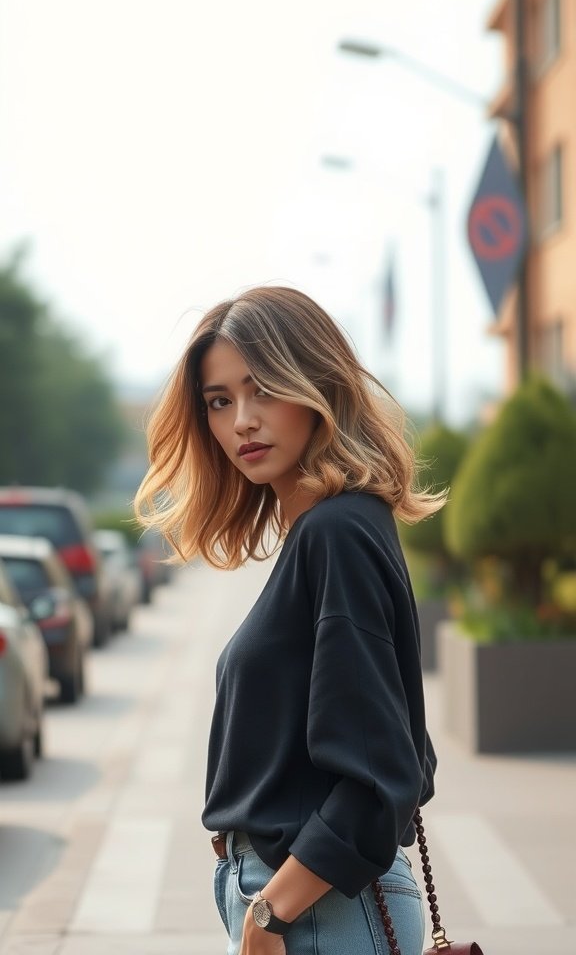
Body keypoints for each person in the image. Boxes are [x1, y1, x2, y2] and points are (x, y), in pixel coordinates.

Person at [134, 286, 444, 955]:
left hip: (318, 911)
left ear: (318, 387)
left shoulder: (337, 533)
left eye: (263, 390)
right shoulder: (330, 531)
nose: (242, 421)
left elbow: (382, 773)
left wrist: (269, 914)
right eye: (219, 401)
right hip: (302, 902)